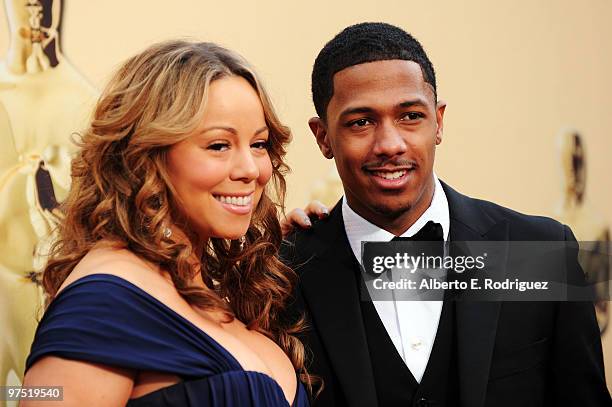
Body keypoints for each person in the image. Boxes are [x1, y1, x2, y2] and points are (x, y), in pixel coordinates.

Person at [281, 23, 610, 406]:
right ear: (323, 137)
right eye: (361, 122)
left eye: (410, 116)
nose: (390, 144)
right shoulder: (283, 274)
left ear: (438, 121)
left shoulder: (539, 252)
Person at [22, 40, 311, 407]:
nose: (251, 170)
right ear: (148, 154)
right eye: (219, 145)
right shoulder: (107, 299)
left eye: (258, 144)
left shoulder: (224, 293)